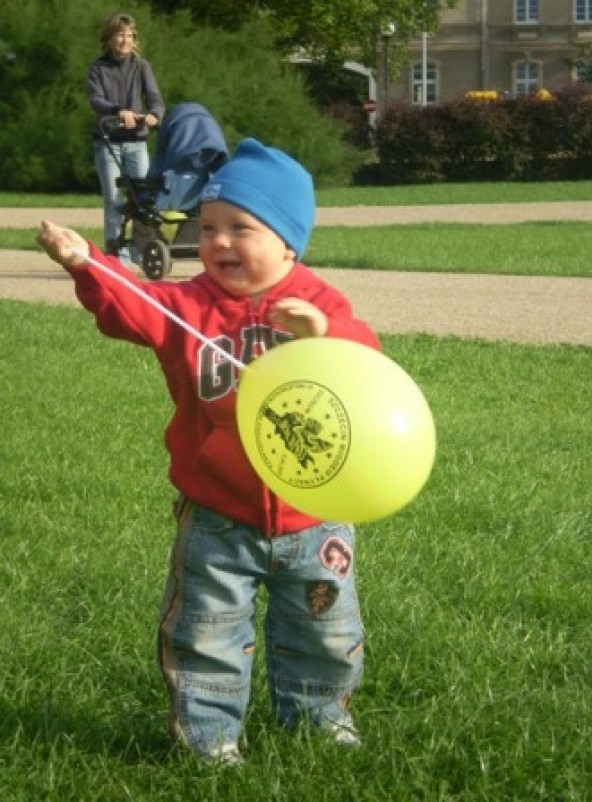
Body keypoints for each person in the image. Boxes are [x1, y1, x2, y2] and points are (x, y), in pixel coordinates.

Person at [37, 138, 382, 766]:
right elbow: (132, 306)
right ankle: (209, 737)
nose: (218, 241)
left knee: (325, 631)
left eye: (240, 228)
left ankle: (319, 717)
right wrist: (86, 263)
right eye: (210, 227)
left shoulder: (320, 305)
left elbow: (370, 365)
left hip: (316, 513)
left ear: (286, 241)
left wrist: (324, 335)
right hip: (217, 515)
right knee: (206, 633)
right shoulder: (191, 304)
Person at [87, 12, 165, 262]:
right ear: (109, 39)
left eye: (129, 35)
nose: (124, 40)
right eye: (119, 35)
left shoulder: (141, 66)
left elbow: (155, 99)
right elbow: (96, 99)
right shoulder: (98, 68)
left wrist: (154, 114)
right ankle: (115, 253)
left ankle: (141, 250)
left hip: (136, 142)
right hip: (108, 141)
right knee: (114, 198)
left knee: (142, 198)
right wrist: (118, 112)